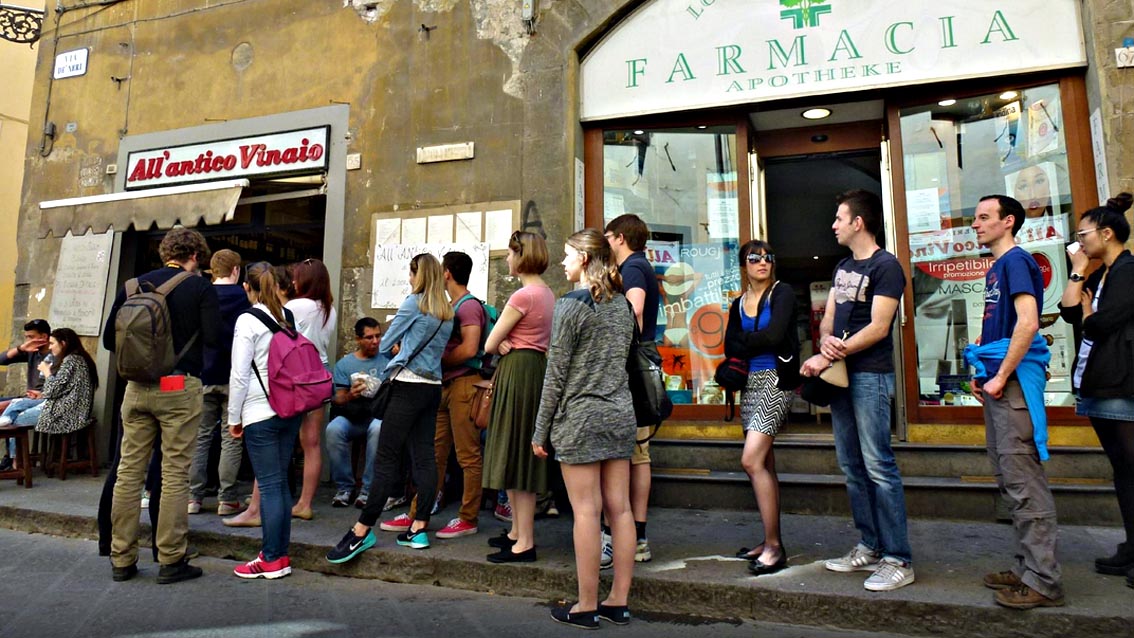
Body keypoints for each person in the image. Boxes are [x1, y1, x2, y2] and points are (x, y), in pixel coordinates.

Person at [801, 189, 915, 592]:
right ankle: (869, 545)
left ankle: (899, 558)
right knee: (851, 467)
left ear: (858, 223)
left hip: (870, 375)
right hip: (842, 375)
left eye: (838, 218)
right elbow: (828, 319)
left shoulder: (887, 267)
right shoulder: (843, 267)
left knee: (879, 466)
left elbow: (880, 327)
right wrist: (828, 344)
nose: (833, 225)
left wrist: (831, 352)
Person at [532, 228, 637, 629]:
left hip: (581, 417)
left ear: (584, 258)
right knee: (621, 510)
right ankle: (618, 601)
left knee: (586, 512)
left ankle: (586, 604)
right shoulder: (623, 306)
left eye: (566, 255)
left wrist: (540, 431)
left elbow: (555, 376)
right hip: (619, 413)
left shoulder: (571, 305)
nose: (562, 263)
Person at [104, 227, 219, 584]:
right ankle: (171, 557)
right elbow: (214, 338)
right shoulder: (199, 287)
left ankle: (121, 558)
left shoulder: (132, 286)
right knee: (173, 474)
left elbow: (110, 339)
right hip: (177, 386)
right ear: (196, 256)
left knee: (128, 473)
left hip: (136, 388)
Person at [964, 194, 1063, 609]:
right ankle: (1026, 568)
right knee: (1010, 478)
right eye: (975, 218)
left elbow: (1028, 324)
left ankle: (1043, 581)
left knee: (1023, 482)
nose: (975, 224)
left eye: (984, 217)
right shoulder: (998, 268)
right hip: (1000, 384)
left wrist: (1001, 374)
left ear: (1008, 222)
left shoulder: (1017, 261)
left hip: (1013, 386)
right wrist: (985, 373)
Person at [326, 253, 453, 563]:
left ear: (418, 275)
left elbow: (384, 345)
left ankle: (361, 529)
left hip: (407, 386)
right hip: (432, 388)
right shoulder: (446, 312)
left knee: (386, 456)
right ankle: (419, 528)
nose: (409, 280)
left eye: (411, 274)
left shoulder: (413, 304)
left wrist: (399, 346)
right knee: (425, 457)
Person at [1060, 193, 1134, 585]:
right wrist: (1077, 269)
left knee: (1131, 466)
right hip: (1100, 381)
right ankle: (1130, 547)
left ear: (1106, 233)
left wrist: (1091, 315)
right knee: (1123, 468)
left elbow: (1100, 324)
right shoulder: (1101, 272)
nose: (1079, 242)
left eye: (1083, 235)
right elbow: (1070, 311)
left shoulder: (1128, 271)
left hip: (1122, 380)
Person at [386, 252, 486, 538]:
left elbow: (469, 350)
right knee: (433, 453)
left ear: (447, 274)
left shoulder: (467, 307)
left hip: (463, 384)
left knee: (468, 454)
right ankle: (420, 513)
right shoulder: (449, 305)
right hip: (443, 385)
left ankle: (468, 517)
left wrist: (433, 360)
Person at [224, 262, 304, 579]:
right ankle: (279, 555)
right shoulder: (288, 317)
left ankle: (271, 558)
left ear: (247, 287)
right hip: (290, 409)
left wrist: (234, 417)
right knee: (280, 483)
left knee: (270, 485)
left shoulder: (247, 319)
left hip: (259, 412)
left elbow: (240, 375)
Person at [481, 231, 555, 563]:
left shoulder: (522, 296)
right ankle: (515, 532)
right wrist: (507, 340)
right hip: (534, 369)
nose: (507, 260)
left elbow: (488, 344)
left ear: (521, 256)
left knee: (514, 451)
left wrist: (505, 340)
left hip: (517, 372)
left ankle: (524, 540)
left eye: (511, 254)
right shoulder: (548, 294)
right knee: (519, 449)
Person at [724, 240, 797, 576]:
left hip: (776, 380)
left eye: (769, 257)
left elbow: (776, 335)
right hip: (750, 383)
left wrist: (748, 343)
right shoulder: (739, 303)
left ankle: (774, 548)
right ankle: (770, 540)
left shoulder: (782, 293)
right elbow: (728, 345)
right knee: (765, 462)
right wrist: (755, 341)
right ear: (745, 264)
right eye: (755, 258)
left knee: (750, 459)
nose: (763, 262)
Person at [603, 214, 660, 564]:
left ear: (620, 238)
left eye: (608, 237)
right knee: (638, 453)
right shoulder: (640, 265)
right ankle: (634, 534)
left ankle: (635, 536)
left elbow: (634, 311)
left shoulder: (634, 268)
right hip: (639, 363)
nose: (606, 243)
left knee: (637, 454)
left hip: (632, 366)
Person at [188, 249, 251, 517]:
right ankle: (227, 498)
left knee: (199, 437)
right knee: (231, 438)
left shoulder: (201, 293)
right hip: (233, 377)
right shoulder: (244, 298)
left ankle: (193, 497)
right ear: (236, 270)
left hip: (202, 374)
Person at [285, 258, 337, 520]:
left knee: (281, 439)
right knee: (313, 442)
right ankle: (305, 503)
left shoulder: (295, 306)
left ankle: (270, 498)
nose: (293, 281)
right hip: (321, 374)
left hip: (296, 376)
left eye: (296, 277)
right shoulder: (329, 309)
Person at [326, 317, 389, 508]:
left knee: (378, 429)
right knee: (333, 429)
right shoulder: (345, 364)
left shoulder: (388, 360)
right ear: (358, 339)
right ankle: (345, 487)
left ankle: (368, 490)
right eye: (369, 337)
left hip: (377, 415)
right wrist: (351, 395)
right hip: (353, 415)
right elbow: (338, 398)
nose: (375, 341)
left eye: (378, 336)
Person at [0, 319, 52, 469]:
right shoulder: (31, 353)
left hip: (41, 399)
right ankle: (10, 457)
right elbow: (2, 360)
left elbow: (58, 383)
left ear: (44, 337)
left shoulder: (55, 355)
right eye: (26, 337)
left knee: (6, 411)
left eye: (31, 337)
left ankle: (12, 460)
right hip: (26, 397)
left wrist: (41, 393)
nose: (28, 340)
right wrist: (22, 348)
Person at [34, 328, 99, 435]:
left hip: (65, 415)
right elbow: (62, 388)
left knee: (16, 419)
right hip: (75, 411)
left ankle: (14, 452)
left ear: (63, 343)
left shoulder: (71, 360)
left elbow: (52, 391)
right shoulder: (80, 358)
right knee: (17, 405)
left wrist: (46, 371)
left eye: (52, 343)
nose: (50, 347)